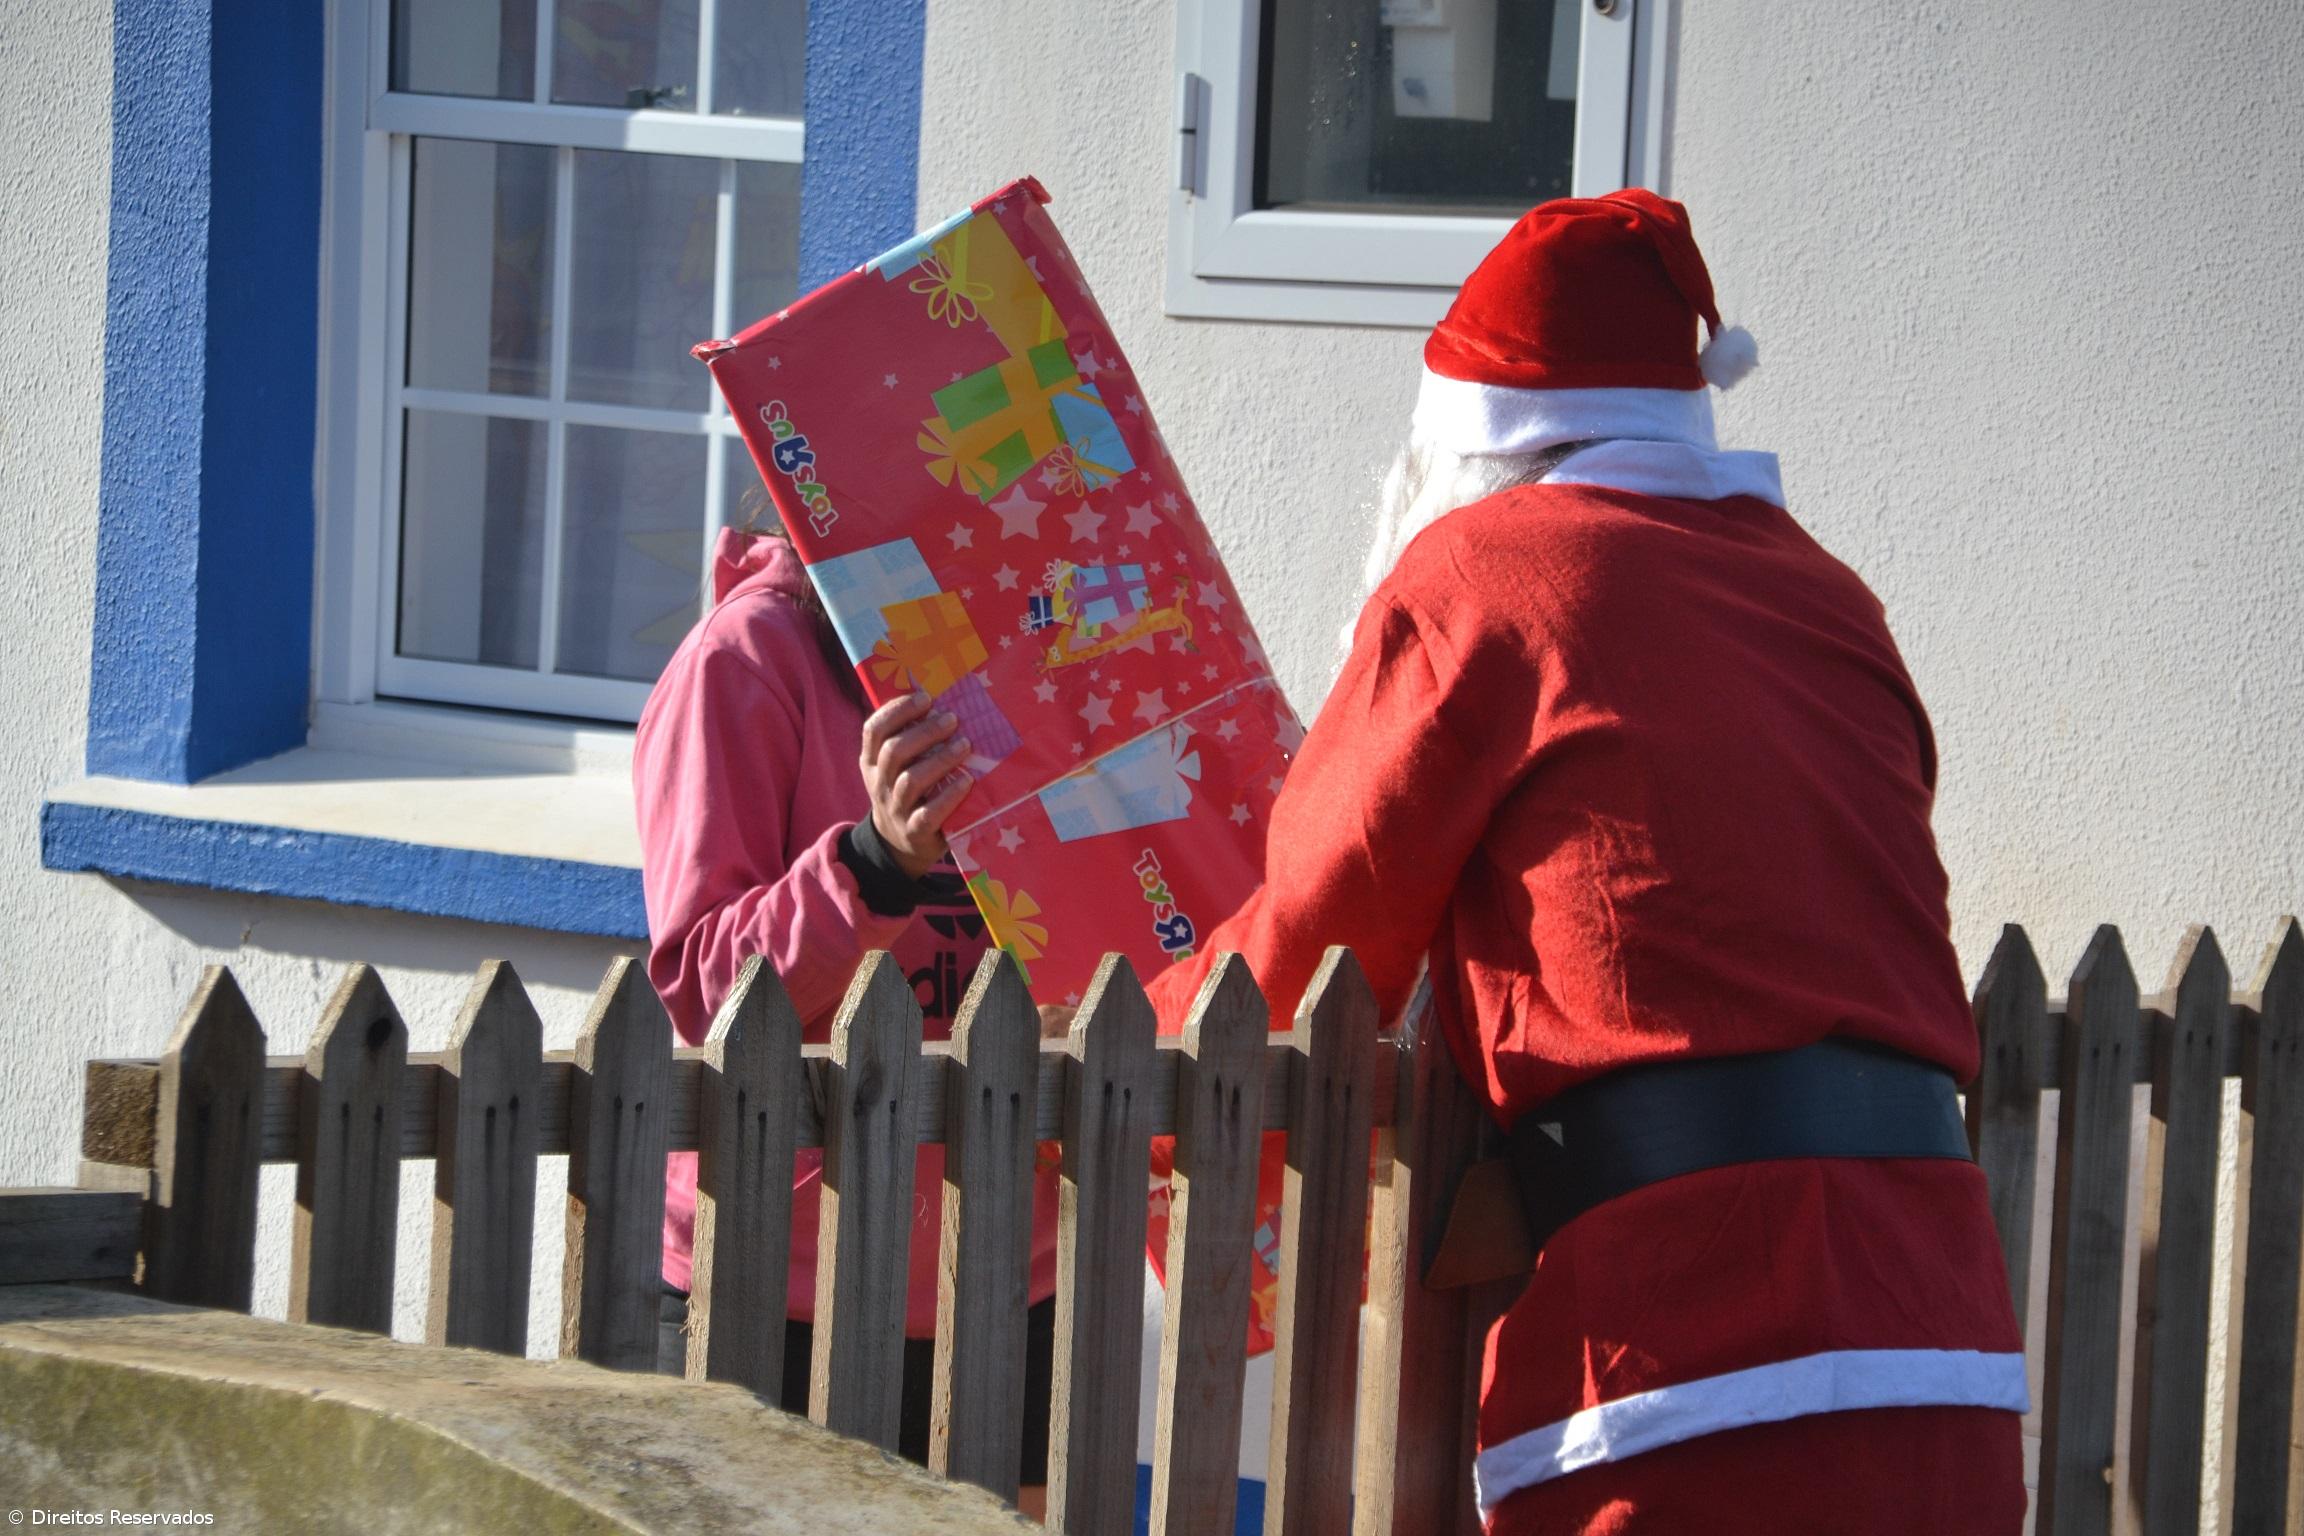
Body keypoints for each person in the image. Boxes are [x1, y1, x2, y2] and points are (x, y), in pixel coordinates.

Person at [1141, 189, 2028, 1533]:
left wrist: (1147, 1067)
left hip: (1685, 1360)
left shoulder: (1482, 576)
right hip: (1941, 1340)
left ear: (1470, 449)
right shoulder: (1833, 600)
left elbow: (1324, 931)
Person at [634, 510, 1057, 1497]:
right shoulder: (744, 659)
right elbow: (704, 989)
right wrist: (876, 861)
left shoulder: (1023, 636)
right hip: (777, 1284)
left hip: (1002, 1268)